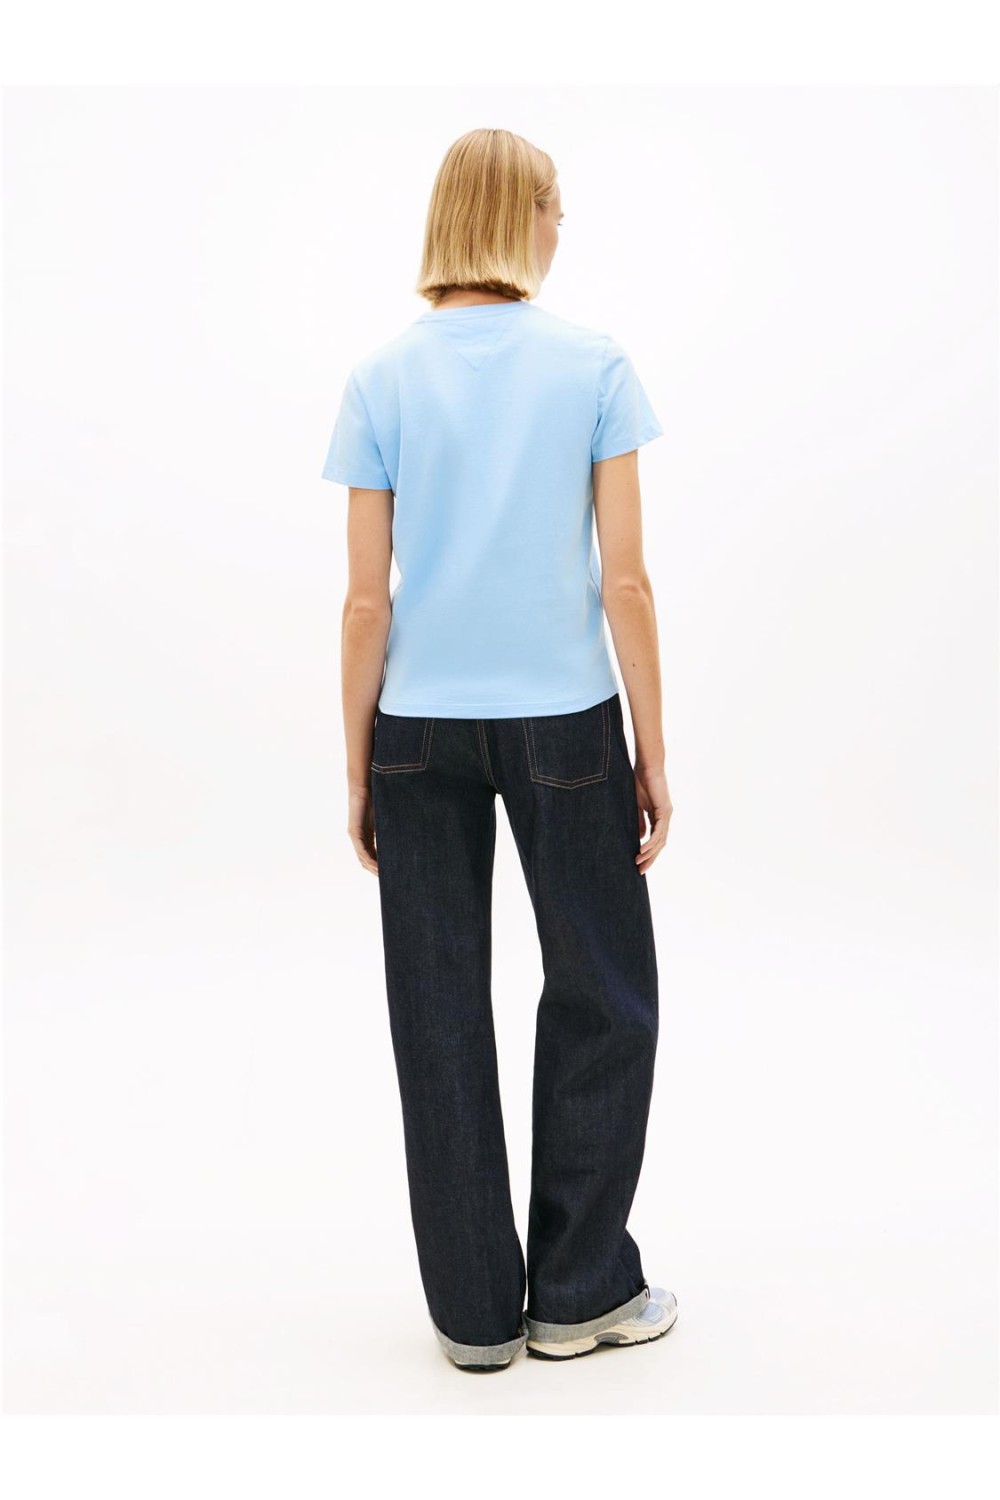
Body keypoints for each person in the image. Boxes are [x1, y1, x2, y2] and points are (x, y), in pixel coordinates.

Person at [321, 128, 677, 1370]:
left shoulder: (379, 378)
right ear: (520, 215)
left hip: (417, 729)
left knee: (435, 1008)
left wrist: (358, 761)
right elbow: (624, 582)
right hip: (566, 724)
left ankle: (474, 1316)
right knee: (603, 993)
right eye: (555, 206)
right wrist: (651, 747)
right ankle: (577, 1291)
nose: (562, 227)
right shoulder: (593, 367)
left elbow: (364, 603)